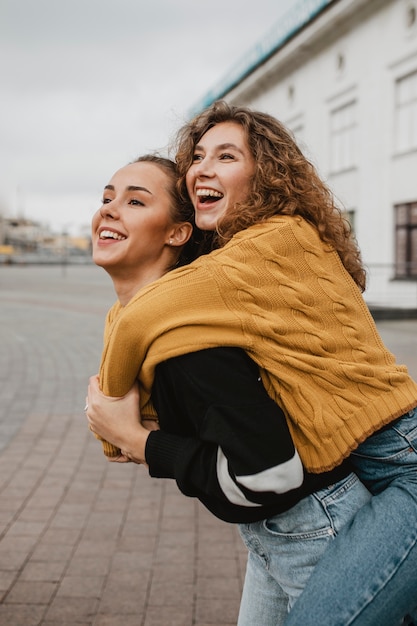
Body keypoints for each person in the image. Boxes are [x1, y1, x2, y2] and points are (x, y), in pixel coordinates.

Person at [86, 103, 417, 624]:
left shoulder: (270, 244)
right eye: (197, 157)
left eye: (226, 156)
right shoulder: (234, 273)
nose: (202, 169)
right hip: (340, 483)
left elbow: (137, 315)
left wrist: (119, 423)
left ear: (265, 175)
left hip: (402, 467)